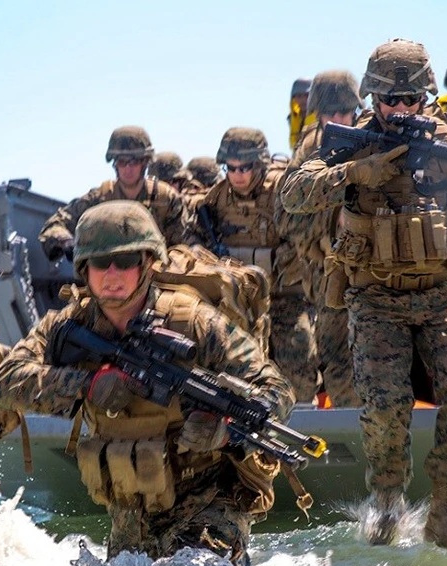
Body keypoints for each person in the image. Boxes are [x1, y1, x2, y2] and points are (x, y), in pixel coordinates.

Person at [280, 39, 447, 550]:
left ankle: (444, 506)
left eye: (410, 99)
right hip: (375, 298)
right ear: (373, 97)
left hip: (444, 292)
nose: (399, 109)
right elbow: (292, 193)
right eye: (389, 100)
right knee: (386, 406)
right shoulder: (353, 141)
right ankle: (388, 498)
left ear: (425, 97)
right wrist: (353, 173)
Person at [0, 201, 294, 566]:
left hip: (209, 501)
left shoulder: (194, 322)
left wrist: (225, 432)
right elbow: (3, 383)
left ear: (148, 262)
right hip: (129, 512)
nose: (112, 274)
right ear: (84, 268)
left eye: (125, 261)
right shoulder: (67, 326)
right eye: (101, 263)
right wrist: (86, 384)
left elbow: (276, 388)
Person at [186, 127, 318, 403]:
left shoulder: (281, 192)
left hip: (284, 297)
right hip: (238, 303)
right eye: (230, 168)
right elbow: (193, 240)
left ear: (259, 164)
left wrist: (273, 260)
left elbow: (306, 235)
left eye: (245, 167)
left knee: (299, 364)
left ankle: (303, 418)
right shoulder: (216, 198)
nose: (238, 175)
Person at [276, 70, 363, 407]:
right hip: (329, 281)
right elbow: (285, 218)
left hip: (375, 275)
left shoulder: (372, 137)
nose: (338, 119)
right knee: (339, 366)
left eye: (345, 111)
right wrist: (332, 217)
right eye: (330, 113)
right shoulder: (310, 150)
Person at [39, 126, 199, 260]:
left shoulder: (166, 198)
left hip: (157, 278)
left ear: (144, 162)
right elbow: (55, 224)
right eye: (122, 162)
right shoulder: (100, 198)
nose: (128, 168)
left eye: (134, 162)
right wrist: (65, 241)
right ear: (115, 164)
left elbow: (186, 244)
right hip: (109, 277)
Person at [288, 78, 313, 149]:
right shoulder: (293, 119)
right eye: (299, 96)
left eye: (307, 95)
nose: (303, 100)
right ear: (294, 99)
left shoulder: (322, 117)